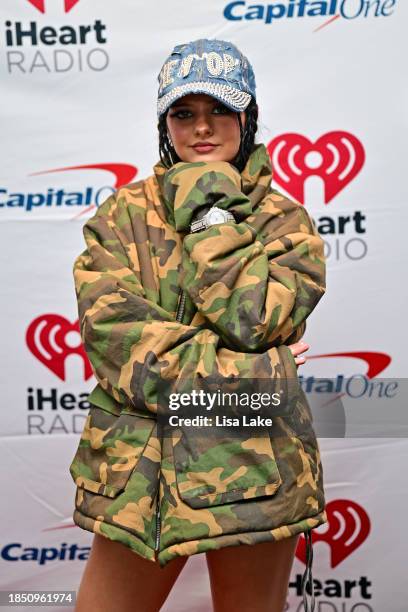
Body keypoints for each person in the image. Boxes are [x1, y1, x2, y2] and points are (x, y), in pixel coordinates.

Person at [70, 38, 327, 612]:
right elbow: (122, 350)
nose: (202, 128)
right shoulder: (122, 215)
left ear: (248, 117)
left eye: (220, 111)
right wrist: (265, 374)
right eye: (184, 113)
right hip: (140, 478)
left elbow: (256, 318)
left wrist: (210, 211)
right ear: (165, 123)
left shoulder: (285, 221)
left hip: (255, 470)